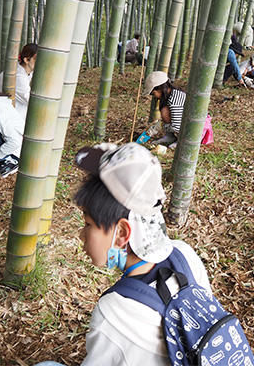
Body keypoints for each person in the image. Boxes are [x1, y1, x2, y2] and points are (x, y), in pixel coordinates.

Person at [33, 142, 213, 366]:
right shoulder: (185, 254)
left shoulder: (114, 313)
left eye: (88, 224)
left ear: (122, 233)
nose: (81, 235)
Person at [0, 43, 37, 120]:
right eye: (37, 59)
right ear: (26, 60)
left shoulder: (26, 70)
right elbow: (29, 100)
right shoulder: (17, 75)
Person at [143, 71, 186, 148]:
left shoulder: (174, 101)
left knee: (164, 111)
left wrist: (161, 126)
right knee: (165, 110)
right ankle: (169, 136)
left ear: (160, 88)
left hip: (195, 129)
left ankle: (183, 140)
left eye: (153, 93)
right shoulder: (171, 94)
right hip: (182, 123)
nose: (154, 96)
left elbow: (176, 126)